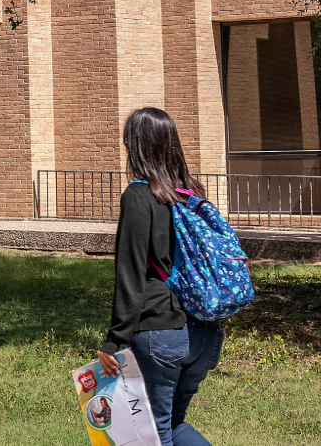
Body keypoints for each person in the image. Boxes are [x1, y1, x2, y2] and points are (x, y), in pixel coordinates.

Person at [97, 107, 223, 446]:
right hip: (205, 334)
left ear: (135, 147)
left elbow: (130, 271)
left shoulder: (139, 195)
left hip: (161, 335)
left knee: (153, 432)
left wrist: (114, 339)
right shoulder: (190, 194)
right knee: (173, 423)